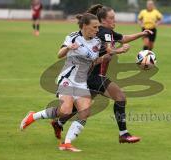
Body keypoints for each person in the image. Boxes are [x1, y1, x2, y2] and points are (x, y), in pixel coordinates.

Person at [49, 4, 153, 144]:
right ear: (103, 20)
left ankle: (59, 123)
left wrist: (142, 34)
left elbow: (123, 38)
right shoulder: (104, 32)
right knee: (120, 98)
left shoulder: (105, 31)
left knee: (79, 107)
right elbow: (110, 50)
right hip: (94, 76)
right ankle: (124, 134)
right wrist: (120, 50)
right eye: (111, 18)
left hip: (88, 75)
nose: (114, 20)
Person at [20, 13, 111, 152]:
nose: (97, 30)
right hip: (67, 79)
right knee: (65, 111)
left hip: (81, 82)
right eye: (95, 27)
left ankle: (66, 143)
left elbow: (93, 61)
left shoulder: (97, 42)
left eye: (98, 27)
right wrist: (69, 47)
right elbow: (59, 54)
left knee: (85, 112)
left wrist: (111, 54)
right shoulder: (73, 37)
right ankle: (33, 116)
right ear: (85, 26)